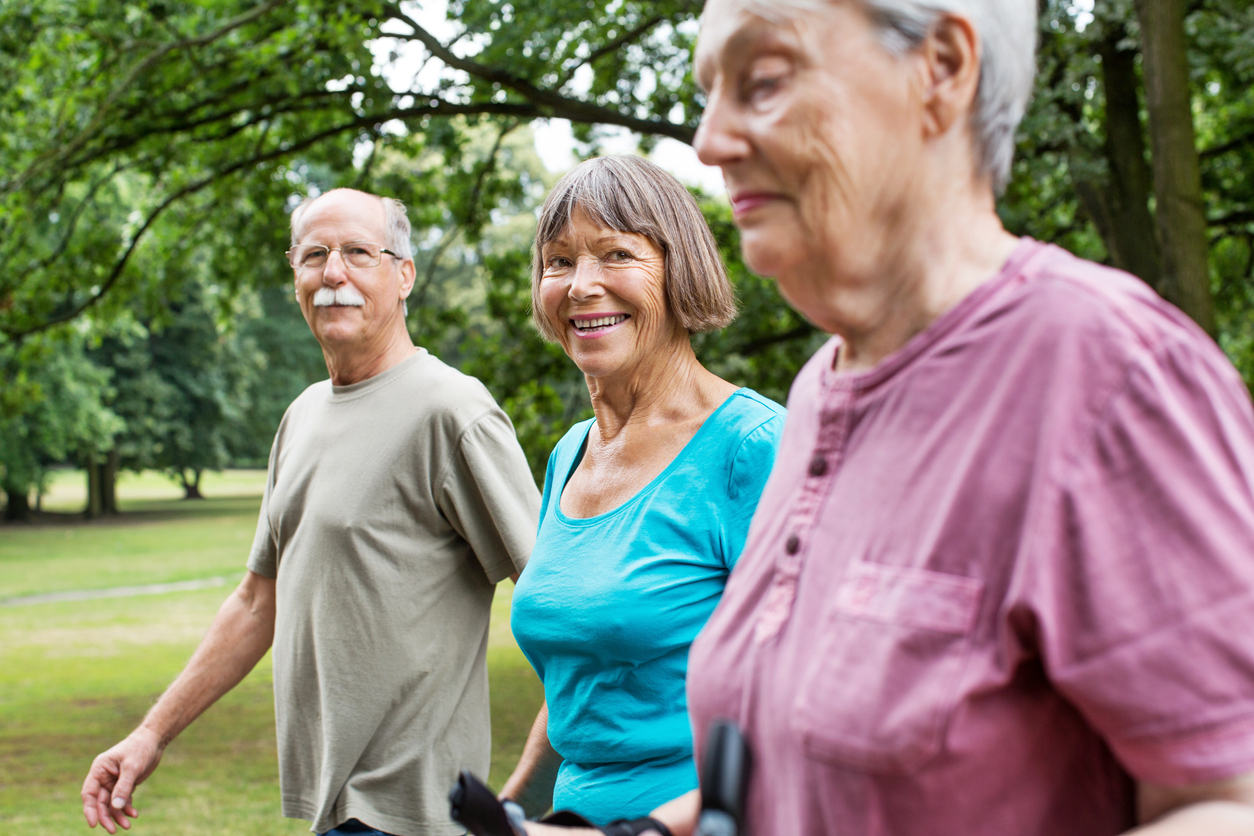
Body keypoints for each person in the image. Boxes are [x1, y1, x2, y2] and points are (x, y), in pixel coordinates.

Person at [647, 0, 1254, 834]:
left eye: (761, 81)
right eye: (709, 94)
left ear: (940, 69)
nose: (709, 141)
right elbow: (794, 775)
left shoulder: (1114, 377)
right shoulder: (820, 390)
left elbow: (1228, 803)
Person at [80, 188, 541, 836]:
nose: (333, 274)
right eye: (314, 255)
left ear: (404, 274)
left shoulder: (452, 410)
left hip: (415, 813)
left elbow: (553, 596)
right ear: (294, 274)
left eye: (358, 252)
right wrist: (150, 734)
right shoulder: (301, 416)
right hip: (335, 805)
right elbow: (254, 603)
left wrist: (535, 789)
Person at [500, 156, 785, 828]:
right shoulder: (570, 454)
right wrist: (511, 810)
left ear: (677, 266)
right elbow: (582, 683)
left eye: (616, 254)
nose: (580, 286)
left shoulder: (755, 448)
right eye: (559, 261)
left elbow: (808, 704)